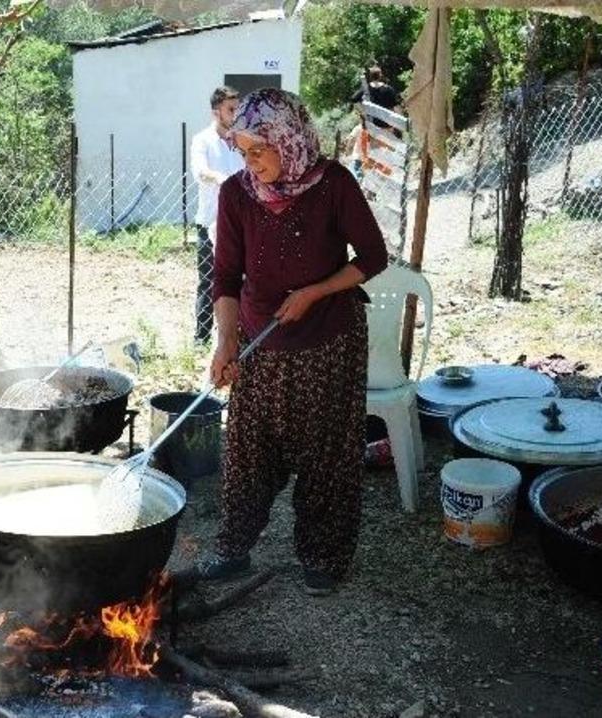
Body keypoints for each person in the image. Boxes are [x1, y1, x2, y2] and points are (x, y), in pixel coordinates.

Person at [194, 88, 389, 596]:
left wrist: (315, 292)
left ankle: (322, 556)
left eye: (259, 150)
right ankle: (233, 549)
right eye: (243, 151)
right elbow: (225, 277)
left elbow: (373, 257)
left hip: (329, 341)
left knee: (327, 450)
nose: (250, 163)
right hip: (260, 340)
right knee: (248, 448)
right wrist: (225, 343)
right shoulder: (237, 194)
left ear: (289, 139)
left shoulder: (334, 184)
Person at [190, 86, 245, 346]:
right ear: (216, 112)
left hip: (241, 224)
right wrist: (222, 180)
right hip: (210, 221)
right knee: (208, 281)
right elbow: (201, 171)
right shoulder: (202, 140)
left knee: (242, 280)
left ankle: (240, 334)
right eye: (231, 109)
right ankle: (201, 339)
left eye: (237, 108)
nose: (236, 113)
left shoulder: (242, 140)